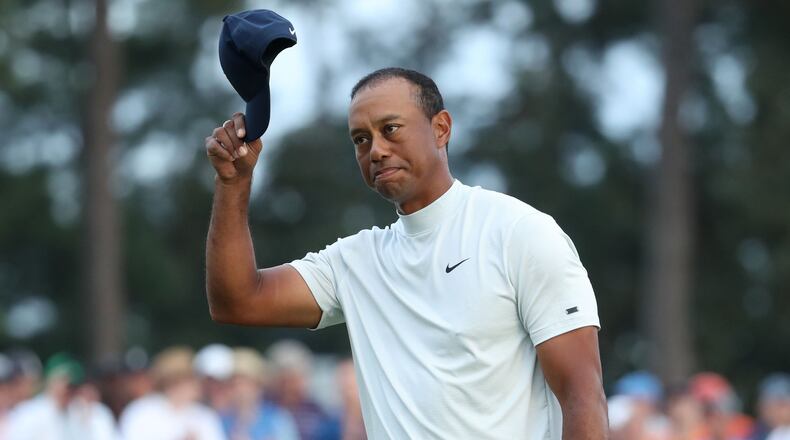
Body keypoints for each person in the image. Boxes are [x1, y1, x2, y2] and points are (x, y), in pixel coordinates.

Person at [204, 67, 607, 439]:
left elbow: (582, 395)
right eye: (361, 139)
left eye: (391, 129)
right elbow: (237, 301)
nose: (375, 149)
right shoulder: (357, 261)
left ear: (441, 129)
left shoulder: (518, 232)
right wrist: (233, 184)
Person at [120, 346, 226, 440]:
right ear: (174, 382)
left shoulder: (205, 416)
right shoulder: (141, 411)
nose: (197, 384)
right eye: (191, 378)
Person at [220, 347, 299, 440]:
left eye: (244, 383)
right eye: (233, 384)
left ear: (257, 385)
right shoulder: (219, 419)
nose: (238, 390)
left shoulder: (277, 419)